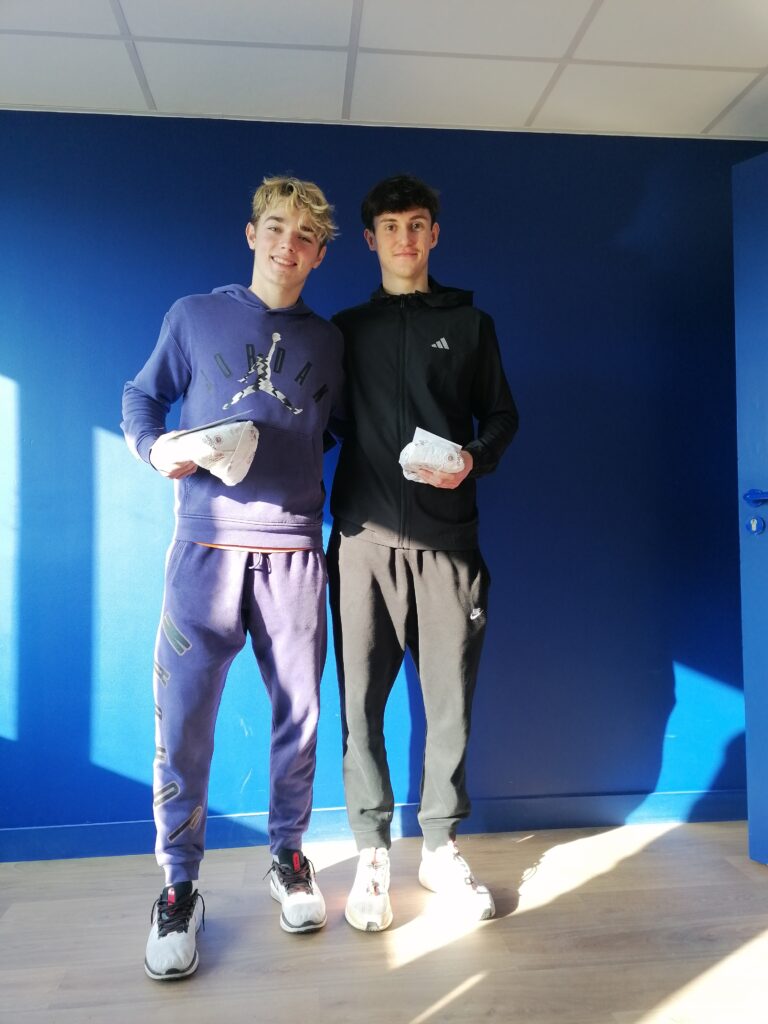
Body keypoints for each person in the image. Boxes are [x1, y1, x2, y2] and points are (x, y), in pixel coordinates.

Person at [121, 176, 344, 980]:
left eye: (306, 235)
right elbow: (142, 396)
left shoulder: (331, 342)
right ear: (252, 234)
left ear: (319, 255)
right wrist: (159, 450)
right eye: (276, 227)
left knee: (300, 720)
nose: (289, 244)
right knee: (183, 724)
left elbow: (342, 430)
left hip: (295, 555)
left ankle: (289, 857)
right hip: (204, 551)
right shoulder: (194, 316)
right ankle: (178, 888)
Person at [327, 174, 518, 932]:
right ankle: (372, 852)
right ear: (369, 240)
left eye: (416, 225)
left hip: (448, 543)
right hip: (363, 543)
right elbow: (324, 423)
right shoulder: (345, 330)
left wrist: (472, 459)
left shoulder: (470, 325)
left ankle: (439, 847)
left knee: (450, 705)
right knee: (360, 703)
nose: (404, 239)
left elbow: (501, 416)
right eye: (390, 227)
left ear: (434, 234)